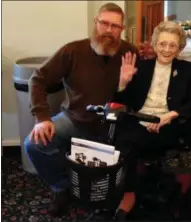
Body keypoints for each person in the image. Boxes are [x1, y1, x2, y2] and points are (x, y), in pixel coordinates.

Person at [24, 3, 138, 217]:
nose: (109, 30)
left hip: (112, 126)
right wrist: (42, 117)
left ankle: (109, 190)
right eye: (105, 23)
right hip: (75, 119)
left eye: (115, 26)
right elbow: (37, 79)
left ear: (122, 29)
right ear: (96, 23)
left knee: (130, 150)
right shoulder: (73, 50)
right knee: (34, 144)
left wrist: (123, 84)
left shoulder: (129, 53)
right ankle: (63, 186)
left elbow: (136, 96)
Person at [112, 21, 191, 219]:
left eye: (172, 45)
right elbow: (124, 101)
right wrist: (123, 83)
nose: (166, 50)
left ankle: (132, 190)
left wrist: (170, 115)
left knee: (132, 142)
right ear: (154, 44)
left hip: (169, 124)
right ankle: (129, 192)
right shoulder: (142, 67)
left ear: (179, 48)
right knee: (123, 136)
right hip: (139, 120)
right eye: (162, 44)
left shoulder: (188, 70)